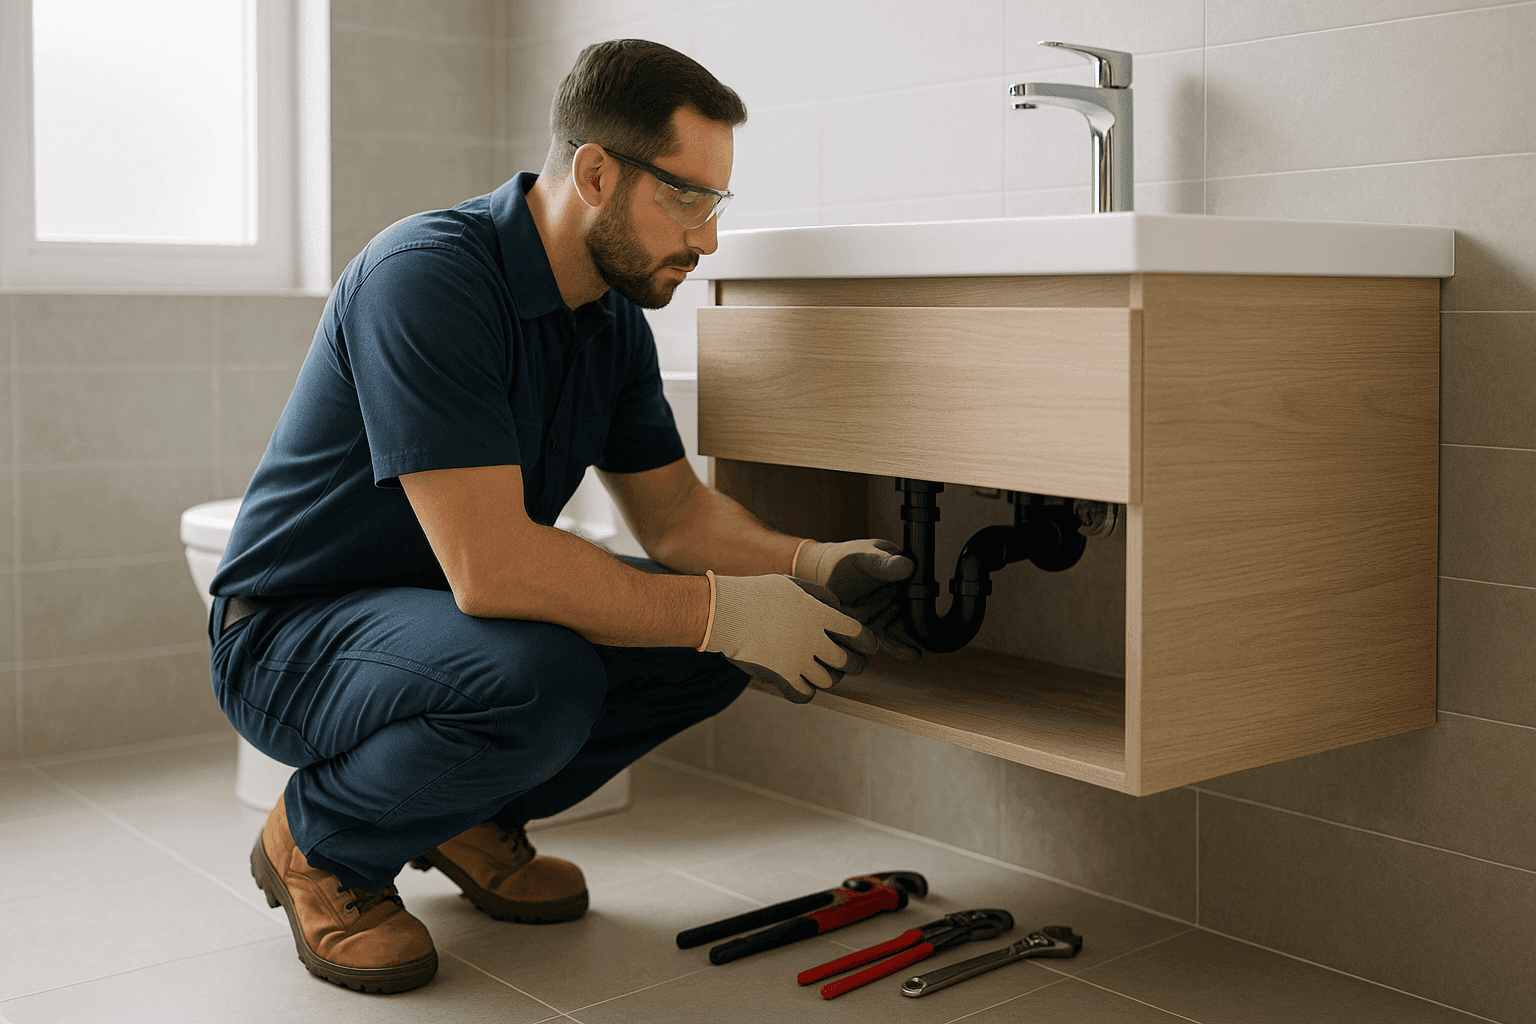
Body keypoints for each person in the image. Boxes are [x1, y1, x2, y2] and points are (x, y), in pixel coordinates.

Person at [207, 38, 916, 994]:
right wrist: (730, 609)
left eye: (718, 204)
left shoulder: (609, 320)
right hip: (293, 638)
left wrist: (805, 563)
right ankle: (321, 845)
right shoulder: (428, 278)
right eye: (688, 198)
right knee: (546, 675)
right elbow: (495, 570)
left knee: (701, 649)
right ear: (595, 172)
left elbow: (672, 516)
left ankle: (460, 815)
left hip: (441, 632)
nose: (707, 239)